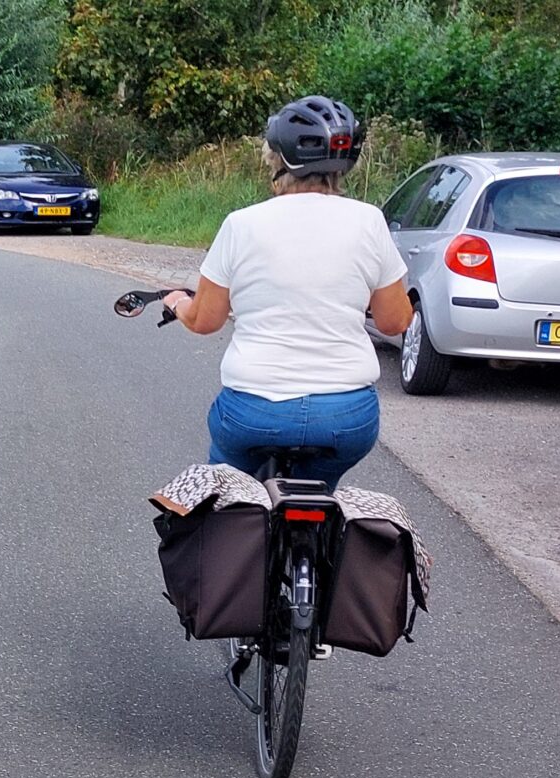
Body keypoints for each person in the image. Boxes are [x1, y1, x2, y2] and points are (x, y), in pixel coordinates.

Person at [161, 96, 414, 489]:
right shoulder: (370, 221)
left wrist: (178, 302)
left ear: (279, 160)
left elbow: (205, 320)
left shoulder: (241, 224)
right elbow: (395, 321)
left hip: (254, 414)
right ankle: (322, 517)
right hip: (346, 418)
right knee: (320, 492)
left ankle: (230, 516)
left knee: (224, 494)